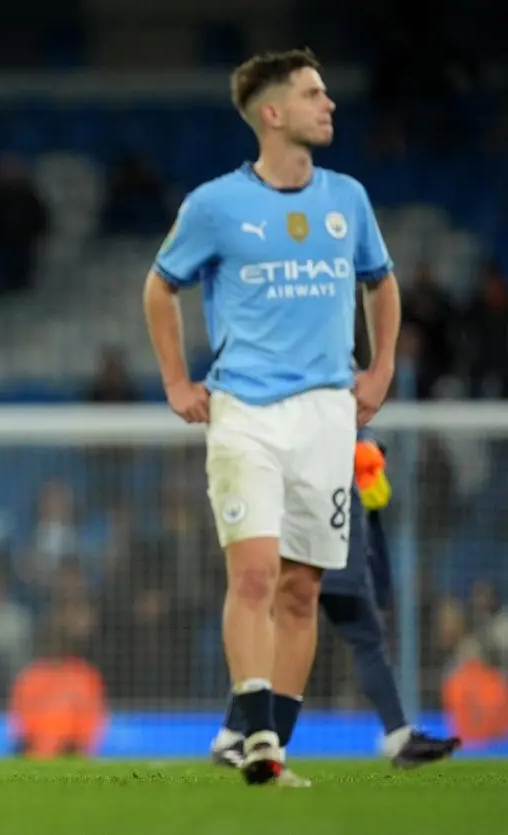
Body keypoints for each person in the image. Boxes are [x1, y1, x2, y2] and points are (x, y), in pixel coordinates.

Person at [142, 48, 402, 786]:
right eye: (315, 93)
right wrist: (175, 380)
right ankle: (256, 741)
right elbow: (160, 288)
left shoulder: (347, 198)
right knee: (253, 574)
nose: (330, 104)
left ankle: (271, 746)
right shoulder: (216, 205)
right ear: (272, 113)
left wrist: (380, 366)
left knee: (302, 589)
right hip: (244, 411)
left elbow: (380, 283)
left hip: (328, 414)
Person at [210, 435, 461, 769]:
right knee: (343, 638)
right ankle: (397, 736)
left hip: (322, 536)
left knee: (300, 639)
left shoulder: (319, 424)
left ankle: (232, 735)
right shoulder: (327, 418)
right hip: (325, 538)